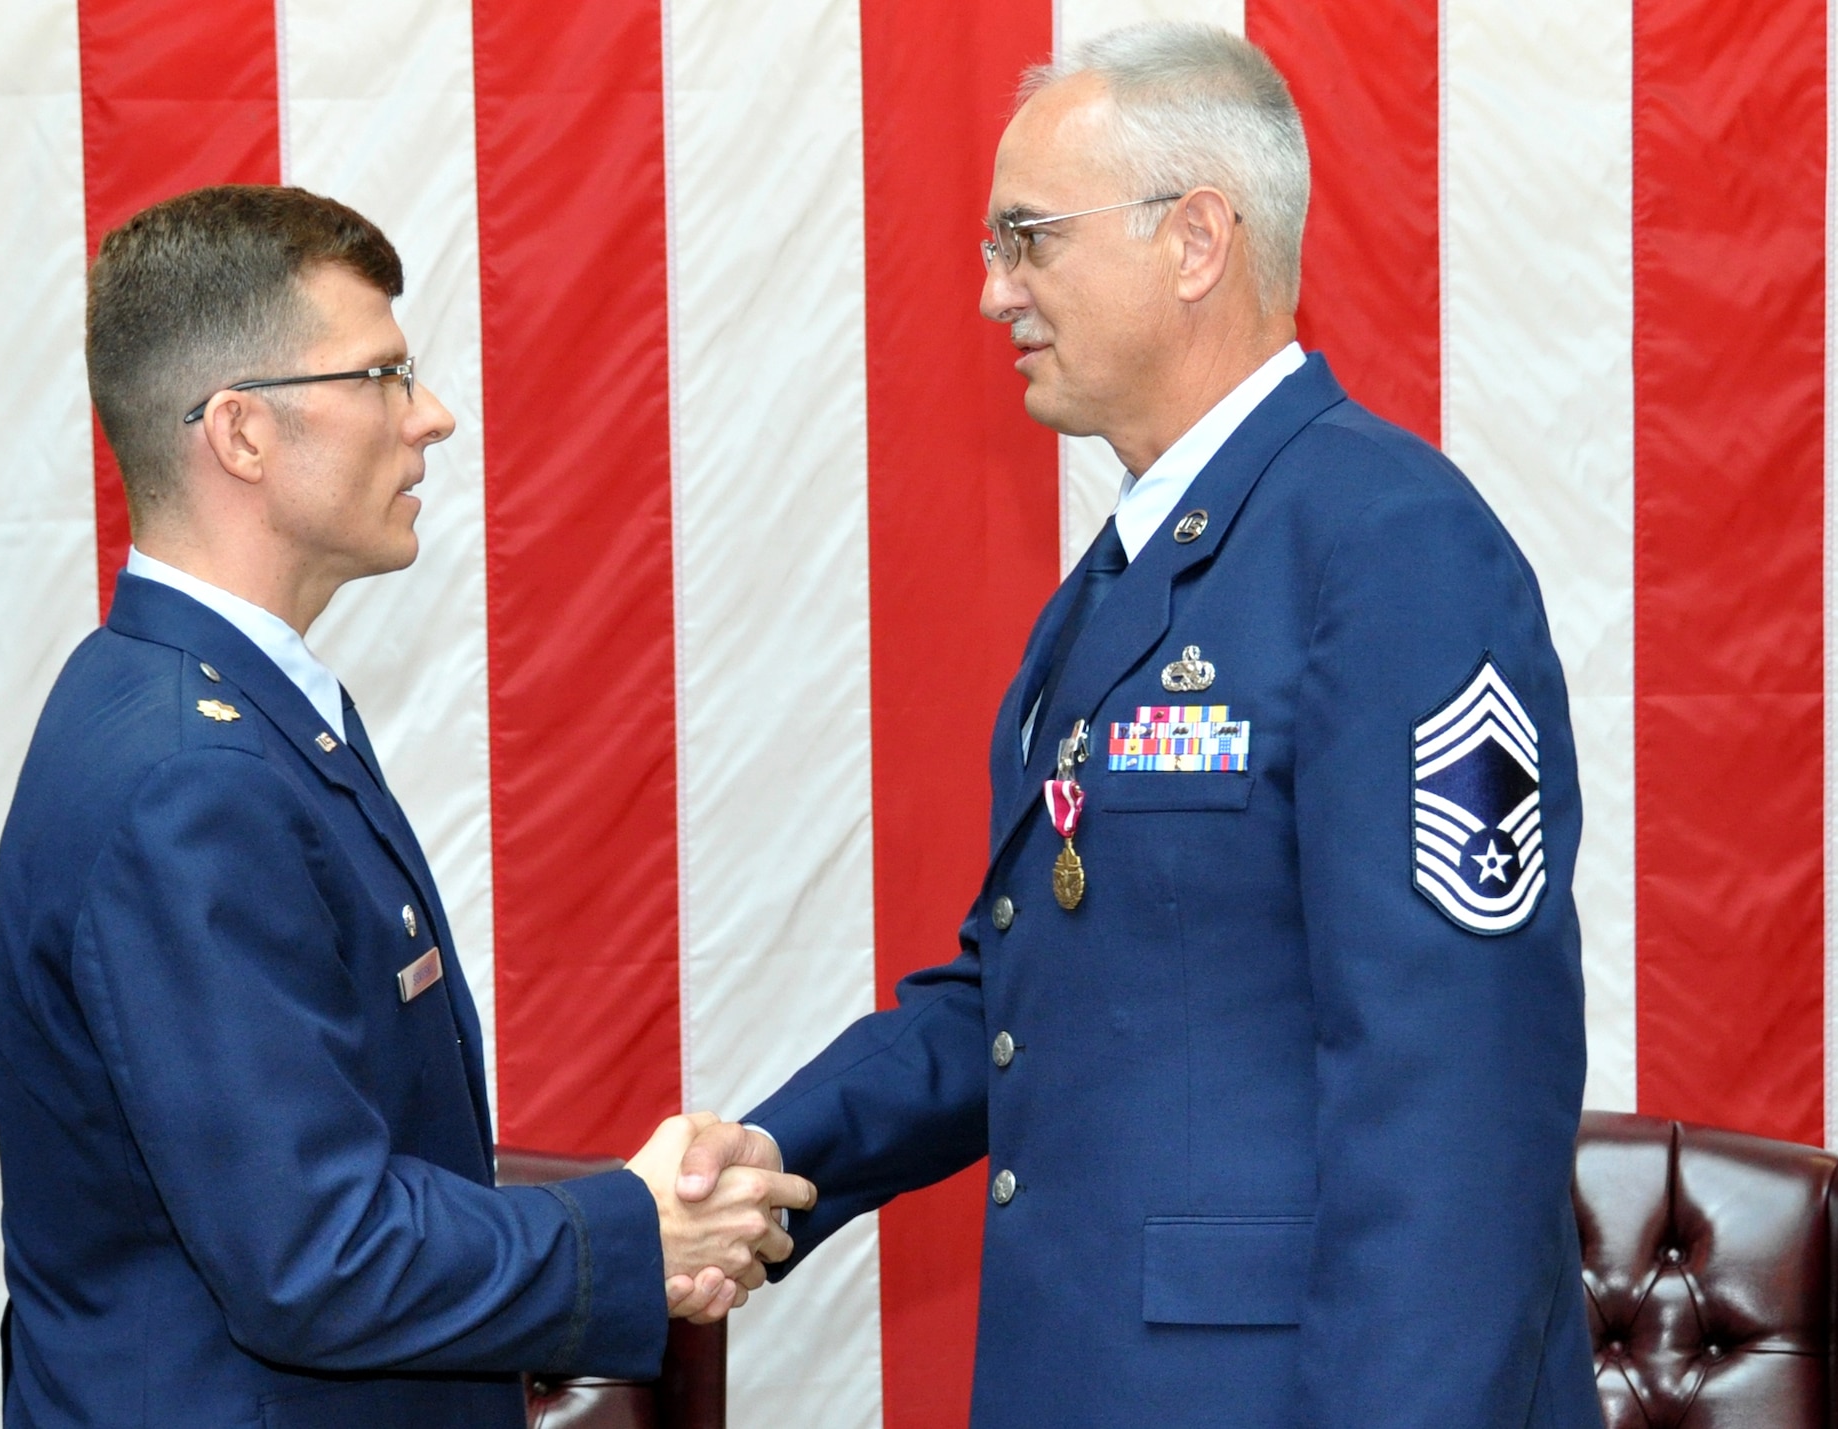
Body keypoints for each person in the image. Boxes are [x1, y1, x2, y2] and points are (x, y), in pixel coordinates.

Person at [675, 23, 1600, 1426]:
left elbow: (1455, 1097)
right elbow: (1019, 997)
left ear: (1195, 239)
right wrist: (774, 1154)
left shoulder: (1390, 546)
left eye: (1029, 237)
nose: (994, 293)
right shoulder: (1132, 581)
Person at [0, 185, 809, 1429]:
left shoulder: (219, 704)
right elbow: (316, 1255)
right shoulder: (189, 775)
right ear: (243, 435)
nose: (430, 416)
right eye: (381, 374)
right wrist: (632, 1229)